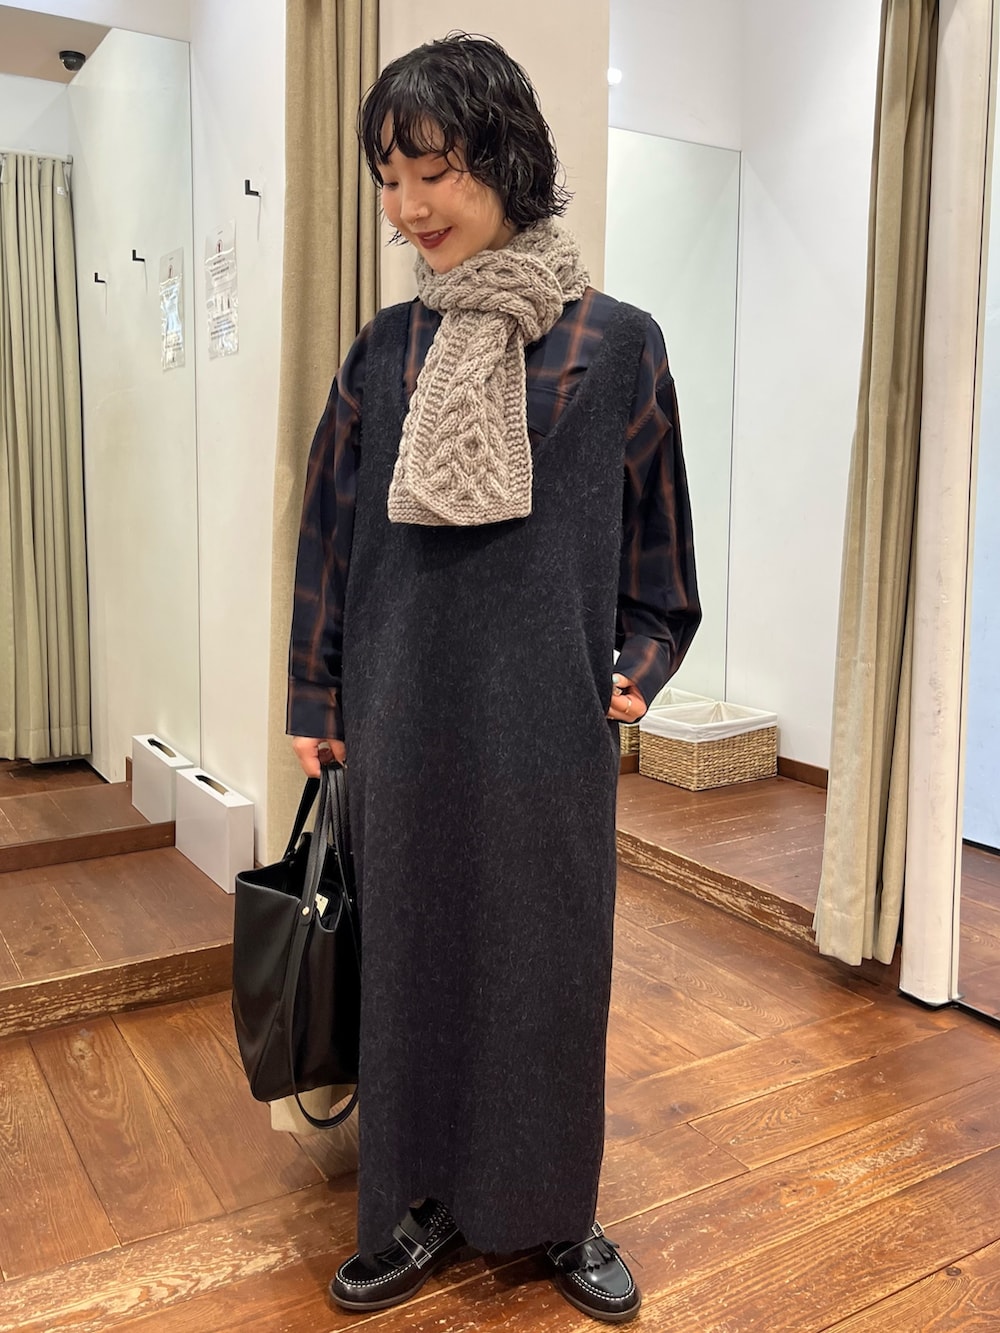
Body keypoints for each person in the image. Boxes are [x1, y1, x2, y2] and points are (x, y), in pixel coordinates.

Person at [287, 32, 700, 1324]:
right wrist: (317, 698)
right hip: (405, 716)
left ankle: (553, 1208)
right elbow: (329, 534)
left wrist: (638, 665)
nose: (408, 209)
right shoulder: (386, 350)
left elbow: (661, 547)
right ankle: (417, 1200)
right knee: (412, 960)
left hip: (547, 730)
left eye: (434, 174)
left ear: (506, 160)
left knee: (550, 965)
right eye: (390, 181)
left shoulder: (619, 346)